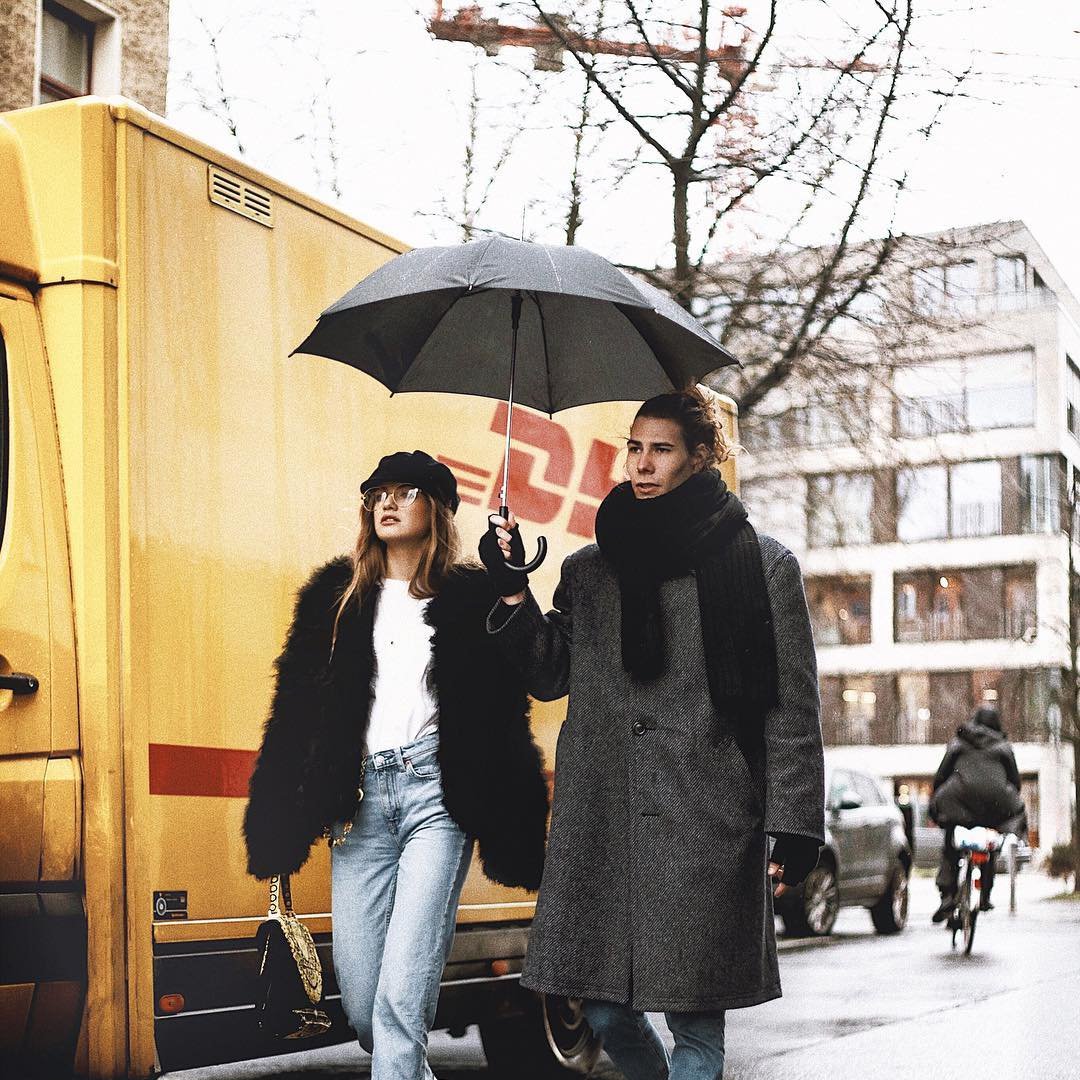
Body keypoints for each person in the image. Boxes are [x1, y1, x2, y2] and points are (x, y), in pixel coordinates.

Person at [479, 388, 825, 1080]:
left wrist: (793, 826)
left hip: (706, 818)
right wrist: (514, 589)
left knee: (696, 1022)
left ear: (701, 458)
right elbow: (549, 673)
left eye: (659, 449)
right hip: (603, 824)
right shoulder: (589, 570)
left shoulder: (763, 566)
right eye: (633, 447)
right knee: (604, 1012)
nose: (640, 464)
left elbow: (791, 712)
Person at [244, 450, 549, 1080]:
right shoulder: (335, 596)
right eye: (377, 492)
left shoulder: (471, 597)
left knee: (401, 997)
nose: (387, 502)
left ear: (435, 508)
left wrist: (512, 581)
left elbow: (521, 691)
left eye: (405, 491)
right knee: (362, 1004)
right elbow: (294, 711)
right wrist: (275, 819)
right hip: (358, 807)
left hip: (437, 797)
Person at [929, 705, 1026, 922]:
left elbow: (941, 775)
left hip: (959, 799)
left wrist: (939, 801)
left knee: (951, 844)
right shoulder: (1003, 747)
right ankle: (984, 896)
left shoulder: (959, 743)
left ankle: (947, 894)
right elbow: (1015, 781)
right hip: (994, 801)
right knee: (988, 843)